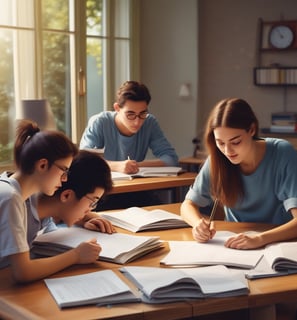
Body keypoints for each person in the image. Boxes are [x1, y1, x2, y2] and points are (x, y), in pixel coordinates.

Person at [181, 97, 297, 250]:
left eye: (235, 142)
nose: (227, 151)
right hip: (235, 244)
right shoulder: (218, 158)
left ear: (252, 130)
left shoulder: (282, 152)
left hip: (278, 243)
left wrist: (260, 239)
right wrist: (197, 224)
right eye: (220, 143)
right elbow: (187, 205)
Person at [0, 120, 101, 283]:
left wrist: (84, 218)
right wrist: (76, 255)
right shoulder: (10, 197)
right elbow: (22, 273)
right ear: (42, 165)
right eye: (64, 170)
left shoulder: (21, 195)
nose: (65, 179)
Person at [79, 80, 179, 174]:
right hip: (104, 188)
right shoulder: (99, 122)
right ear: (117, 108)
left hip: (135, 185)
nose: (137, 122)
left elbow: (171, 159)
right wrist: (116, 166)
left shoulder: (149, 122)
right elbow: (83, 161)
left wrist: (135, 166)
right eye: (130, 114)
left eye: (142, 114)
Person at [25, 149, 115, 248]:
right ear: (66, 195)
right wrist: (76, 256)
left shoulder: (45, 213)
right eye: (92, 202)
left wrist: (85, 219)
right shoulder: (19, 214)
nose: (89, 209)